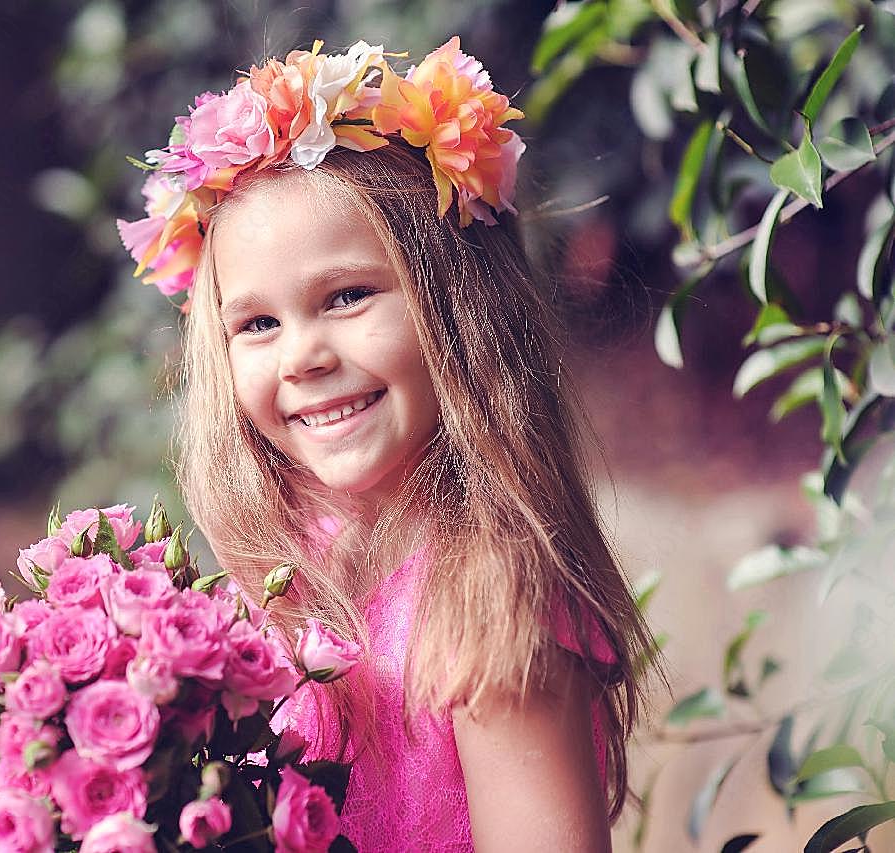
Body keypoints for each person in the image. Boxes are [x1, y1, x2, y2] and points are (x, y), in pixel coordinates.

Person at [118, 37, 656, 852]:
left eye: (347, 296)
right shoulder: (290, 571)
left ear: (457, 307)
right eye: (258, 323)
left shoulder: (488, 605)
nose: (303, 355)